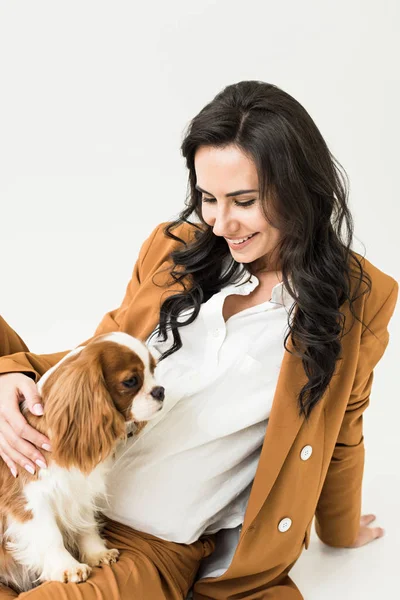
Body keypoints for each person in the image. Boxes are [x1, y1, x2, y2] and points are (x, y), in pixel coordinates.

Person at [0, 80, 398, 600]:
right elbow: (102, 353)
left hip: (146, 542)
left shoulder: (356, 302)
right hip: (60, 482)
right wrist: (11, 372)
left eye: (245, 201)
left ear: (300, 188)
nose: (220, 222)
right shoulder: (174, 249)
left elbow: (343, 429)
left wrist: (341, 531)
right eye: (208, 198)